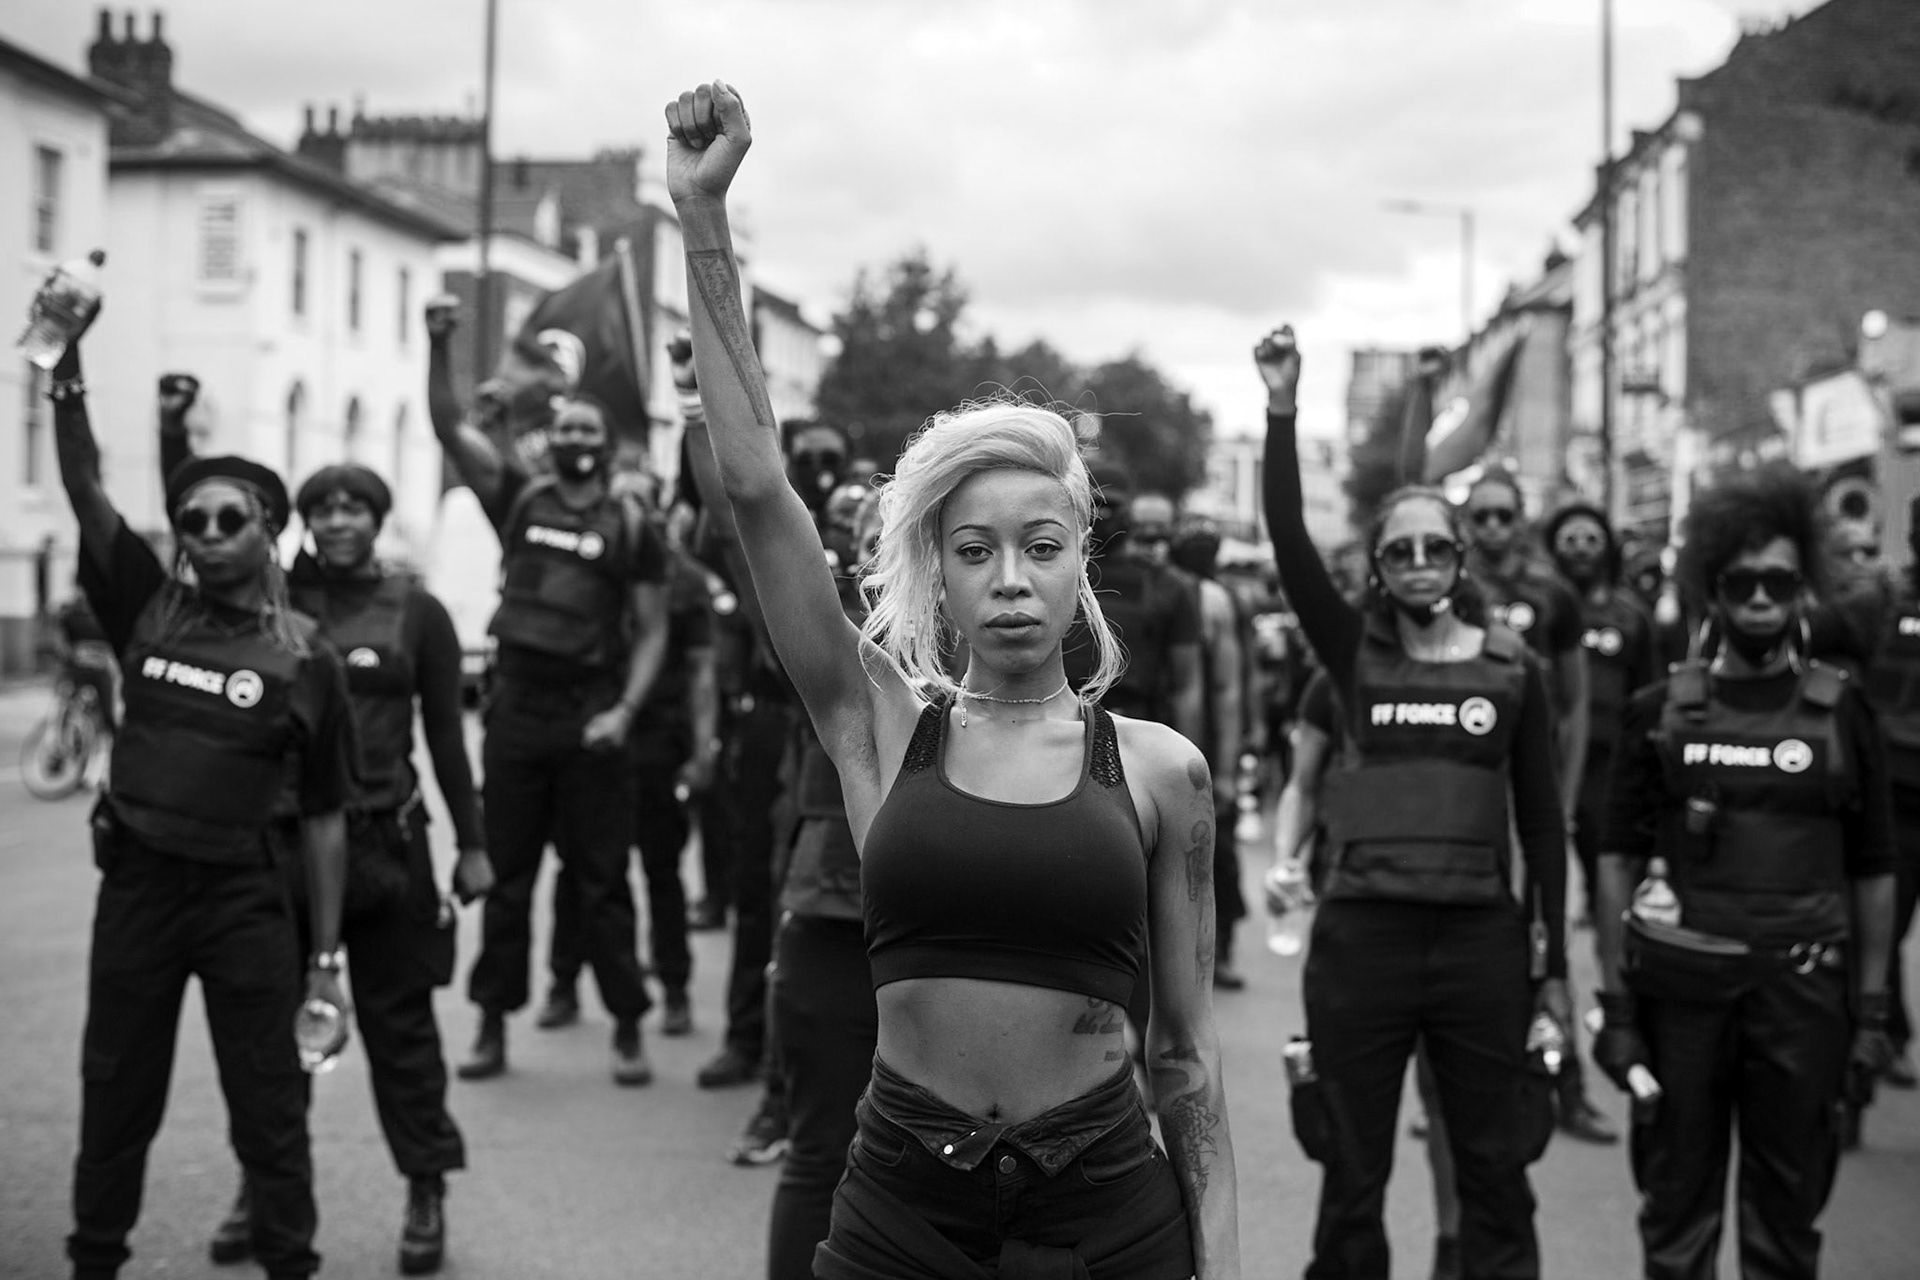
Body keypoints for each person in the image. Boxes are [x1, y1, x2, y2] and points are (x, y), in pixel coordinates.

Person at [668, 80, 1237, 1279]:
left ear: (1084, 560)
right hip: (902, 1210)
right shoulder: (880, 727)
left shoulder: (1161, 770)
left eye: (1042, 544)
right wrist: (702, 216)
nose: (1013, 578)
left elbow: (1185, 1055)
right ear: (939, 570)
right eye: (976, 550)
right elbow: (757, 487)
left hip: (1105, 1213)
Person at [1258, 325, 1567, 1280]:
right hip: (1364, 942)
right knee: (1353, 1173)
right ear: (1380, 568)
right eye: (1402, 550)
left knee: (1494, 1171)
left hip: (1480, 943)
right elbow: (1289, 537)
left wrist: (1550, 966)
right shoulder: (1351, 658)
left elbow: (1543, 825)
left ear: (1461, 559)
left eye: (1439, 546)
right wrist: (1282, 409)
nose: (1422, 561)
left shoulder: (1515, 672)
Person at [50, 326, 353, 1280]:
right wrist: (63, 364)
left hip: (243, 901)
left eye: (231, 519)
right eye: (194, 520)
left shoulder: (306, 657)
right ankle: (94, 1257)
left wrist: (326, 958)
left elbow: (326, 816)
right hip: (139, 890)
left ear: (270, 529)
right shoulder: (146, 607)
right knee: (115, 1097)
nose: (209, 534)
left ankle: (288, 1263)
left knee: (268, 1109)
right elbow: (85, 488)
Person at [1592, 465, 1897, 1280]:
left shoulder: (1843, 711)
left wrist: (1872, 1012)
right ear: (1710, 585)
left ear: (1807, 587)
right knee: (1676, 1220)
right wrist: (1616, 1008)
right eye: (1742, 581)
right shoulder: (1658, 711)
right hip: (1681, 998)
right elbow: (1614, 857)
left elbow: (1874, 871)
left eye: (1781, 581)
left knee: (1786, 1231)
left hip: (1802, 1000)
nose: (1761, 599)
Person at [426, 302, 670, 1086]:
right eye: (565, 430)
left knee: (602, 885)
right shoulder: (520, 501)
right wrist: (441, 347)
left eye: (589, 434)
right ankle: (492, 1024)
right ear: (552, 438)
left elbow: (653, 631)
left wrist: (623, 713)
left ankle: (628, 1025)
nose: (575, 441)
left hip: (590, 717)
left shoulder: (631, 525)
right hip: (517, 714)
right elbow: (446, 430)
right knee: (506, 881)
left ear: (606, 448)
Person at [539, 507, 719, 1040]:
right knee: (580, 870)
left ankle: (675, 991)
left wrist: (703, 747)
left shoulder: (684, 582)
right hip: (591, 740)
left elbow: (701, 671)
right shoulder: (587, 562)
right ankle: (564, 983)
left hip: (655, 745)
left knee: (661, 873)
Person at [1161, 503, 1251, 990]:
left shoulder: (1213, 600)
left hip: (1205, 746)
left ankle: (1219, 952)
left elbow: (1229, 688)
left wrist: (1229, 765)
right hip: (1167, 740)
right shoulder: (1167, 592)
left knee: (1217, 853)